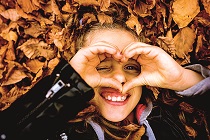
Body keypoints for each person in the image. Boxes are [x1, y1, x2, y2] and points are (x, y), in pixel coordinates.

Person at [0, 9, 210, 140]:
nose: (119, 78)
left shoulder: (173, 118)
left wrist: (182, 79)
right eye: (103, 66)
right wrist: (68, 83)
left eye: (130, 67)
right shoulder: (55, 131)